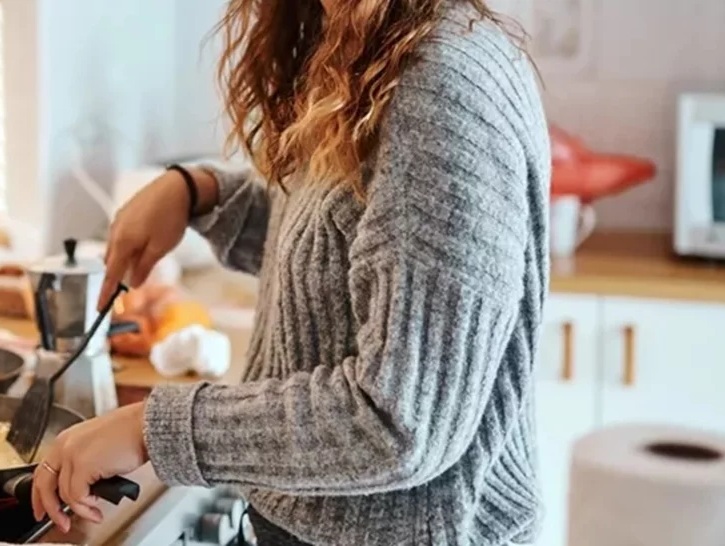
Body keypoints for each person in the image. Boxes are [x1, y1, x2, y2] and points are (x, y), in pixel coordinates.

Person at [31, 0, 550, 544]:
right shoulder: (368, 43)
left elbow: (398, 422)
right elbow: (341, 249)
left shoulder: (439, 84)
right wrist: (200, 193)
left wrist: (151, 429)